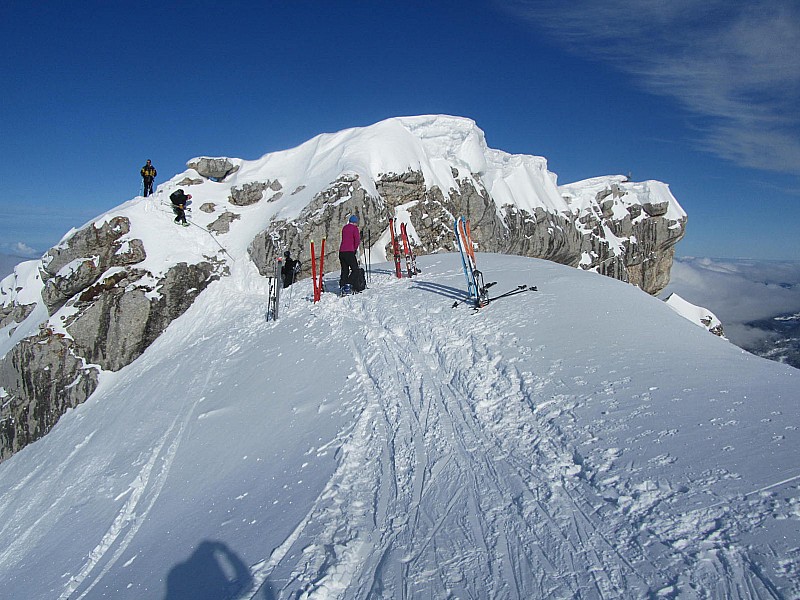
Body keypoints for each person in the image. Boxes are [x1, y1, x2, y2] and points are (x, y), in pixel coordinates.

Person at [339, 215, 361, 290]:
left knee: (345, 270)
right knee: (355, 269)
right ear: (355, 222)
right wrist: (354, 249)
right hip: (349, 251)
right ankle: (348, 284)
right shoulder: (355, 229)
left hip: (342, 252)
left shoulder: (344, 228)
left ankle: (342, 285)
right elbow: (357, 240)